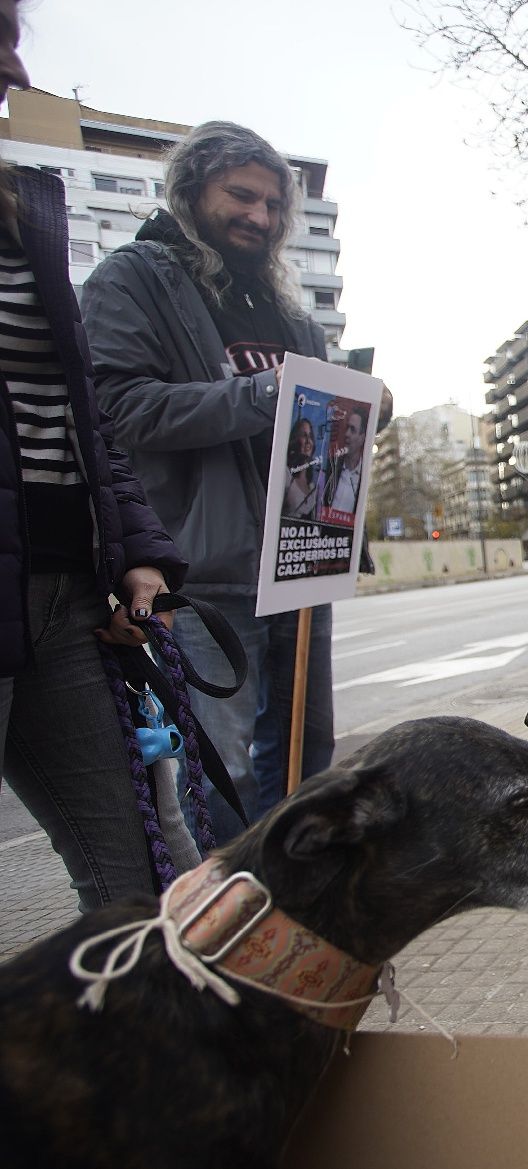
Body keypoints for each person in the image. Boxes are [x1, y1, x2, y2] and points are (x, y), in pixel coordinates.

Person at [83, 121, 393, 843]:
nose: (260, 216)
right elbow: (115, 408)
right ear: (193, 191)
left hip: (303, 556)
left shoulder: (286, 308)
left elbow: (314, 416)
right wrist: (262, 394)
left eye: (274, 206)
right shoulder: (134, 277)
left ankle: (295, 894)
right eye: (242, 196)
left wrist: (365, 405)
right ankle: (223, 909)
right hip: (206, 565)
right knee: (218, 764)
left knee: (304, 752)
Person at [0, 7, 190, 911]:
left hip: (63, 592)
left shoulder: (25, 213)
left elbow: (84, 419)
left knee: (132, 883)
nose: (14, 65)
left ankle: (124, 1049)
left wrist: (137, 551)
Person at [321, 402, 369, 519]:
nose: (346, 434)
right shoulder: (330, 466)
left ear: (363, 437)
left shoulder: (366, 477)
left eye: (352, 430)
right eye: (347, 428)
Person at [282, 415, 320, 520]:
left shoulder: (312, 484)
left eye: (310, 436)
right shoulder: (285, 474)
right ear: (295, 440)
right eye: (304, 436)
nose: (308, 441)